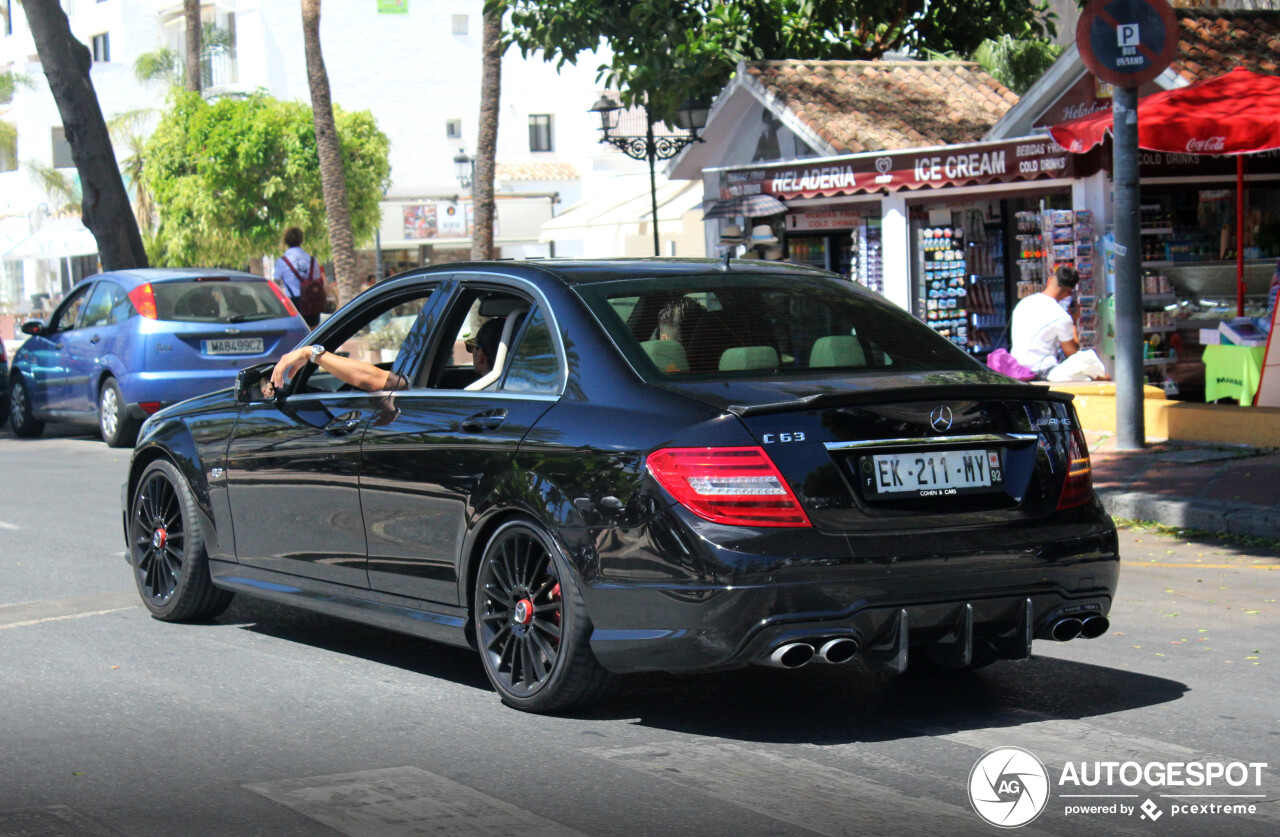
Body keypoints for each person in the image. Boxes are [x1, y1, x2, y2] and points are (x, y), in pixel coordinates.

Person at [1010, 266, 1087, 379]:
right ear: (1069, 293)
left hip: (1016, 369)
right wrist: (1074, 323)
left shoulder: (1023, 303)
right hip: (1042, 372)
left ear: (1049, 281)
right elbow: (1072, 353)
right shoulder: (1061, 317)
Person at [273, 227, 323, 328]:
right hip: (312, 303)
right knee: (313, 335)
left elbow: (275, 284)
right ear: (301, 240)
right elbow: (317, 279)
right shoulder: (312, 260)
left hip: (294, 304)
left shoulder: (282, 261)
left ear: (286, 241)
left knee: (298, 338)